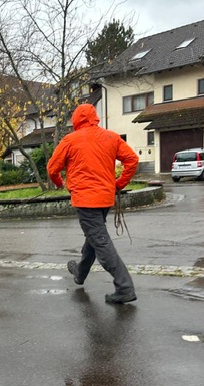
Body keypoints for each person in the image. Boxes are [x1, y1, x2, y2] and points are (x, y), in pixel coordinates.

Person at [47, 103, 139, 304]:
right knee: (94, 237)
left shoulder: (70, 140)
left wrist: (60, 183)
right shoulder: (111, 137)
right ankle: (80, 273)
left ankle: (125, 287)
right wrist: (119, 184)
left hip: (85, 200)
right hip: (105, 199)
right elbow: (132, 160)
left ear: (76, 120)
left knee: (100, 241)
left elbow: (52, 168)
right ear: (94, 117)